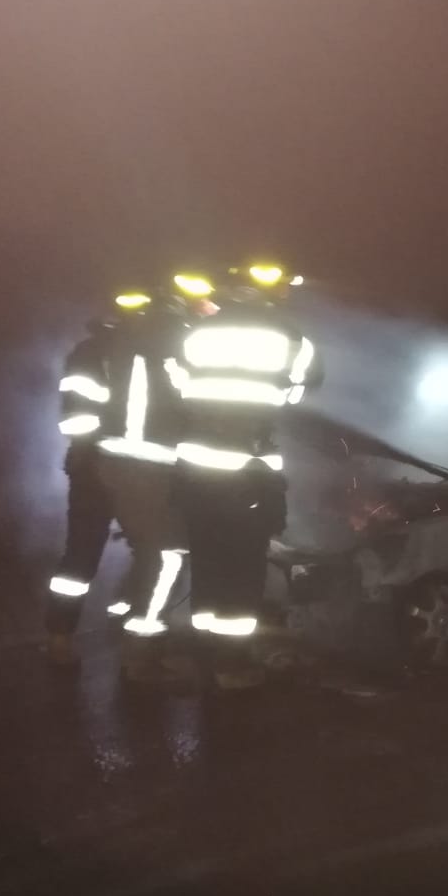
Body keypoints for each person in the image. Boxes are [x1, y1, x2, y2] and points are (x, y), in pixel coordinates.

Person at [168, 263, 320, 689]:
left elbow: (177, 384)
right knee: (243, 570)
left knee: (208, 564)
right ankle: (232, 665)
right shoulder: (290, 337)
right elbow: (302, 389)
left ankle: (205, 655)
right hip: (248, 476)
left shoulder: (194, 333)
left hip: (196, 472)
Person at [91, 284, 202, 679]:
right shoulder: (181, 342)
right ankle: (141, 645)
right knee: (168, 554)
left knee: (146, 544)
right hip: (155, 463)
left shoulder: (121, 339)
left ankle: (124, 606)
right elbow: (194, 399)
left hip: (112, 461)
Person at [44, 290, 150, 666]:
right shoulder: (147, 353)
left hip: (96, 467)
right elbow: (79, 419)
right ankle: (128, 629)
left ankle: (62, 636)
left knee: (83, 553)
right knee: (148, 549)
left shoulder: (87, 353)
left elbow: (76, 419)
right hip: (127, 470)